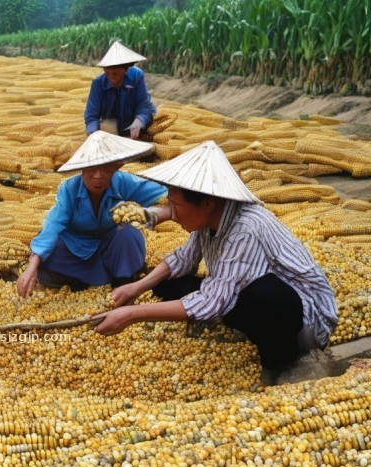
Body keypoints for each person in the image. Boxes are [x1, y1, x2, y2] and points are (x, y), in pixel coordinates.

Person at [92, 141, 338, 385]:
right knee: (173, 284)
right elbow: (183, 259)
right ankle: (249, 327)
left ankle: (282, 360)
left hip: (304, 317)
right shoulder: (210, 216)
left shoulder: (245, 227)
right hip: (242, 293)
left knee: (265, 296)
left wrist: (132, 315)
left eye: (175, 205)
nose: (171, 212)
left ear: (207, 203)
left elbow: (212, 301)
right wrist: (137, 288)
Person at [17, 131, 167, 298]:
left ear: (114, 168)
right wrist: (32, 266)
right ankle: (86, 280)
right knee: (48, 250)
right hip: (75, 249)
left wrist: (162, 211)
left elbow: (164, 193)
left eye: (105, 169)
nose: (98, 176)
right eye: (92, 169)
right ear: (82, 169)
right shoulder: (69, 189)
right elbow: (53, 226)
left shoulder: (124, 183)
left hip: (111, 246)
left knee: (128, 233)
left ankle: (123, 281)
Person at [84, 41, 157, 140]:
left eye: (114, 74)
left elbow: (144, 105)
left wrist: (139, 120)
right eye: (107, 73)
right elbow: (91, 117)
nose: (110, 78)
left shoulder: (136, 76)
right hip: (110, 130)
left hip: (134, 128)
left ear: (126, 68)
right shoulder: (98, 83)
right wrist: (94, 134)